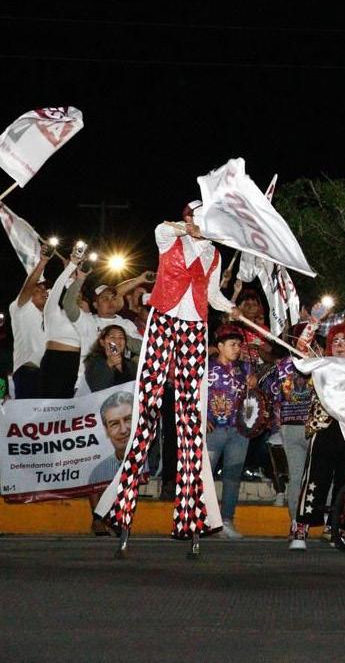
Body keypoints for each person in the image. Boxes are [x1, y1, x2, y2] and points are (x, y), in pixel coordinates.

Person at [95, 200, 239, 559]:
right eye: (197, 217)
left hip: (194, 328)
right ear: (188, 217)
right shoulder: (169, 237)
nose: (202, 224)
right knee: (146, 414)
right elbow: (162, 226)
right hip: (163, 322)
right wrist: (188, 227)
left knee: (190, 420)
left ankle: (191, 516)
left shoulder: (215, 255)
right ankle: (121, 510)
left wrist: (230, 308)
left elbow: (212, 295)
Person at [289, 323, 345, 550]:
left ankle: (340, 529)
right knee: (315, 478)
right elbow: (300, 350)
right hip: (324, 427)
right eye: (335, 341)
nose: (340, 345)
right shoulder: (321, 363)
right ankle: (301, 529)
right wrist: (313, 323)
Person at [260, 328, 314, 528]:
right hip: (311, 426)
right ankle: (320, 519)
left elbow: (267, 391)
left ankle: (295, 522)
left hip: (289, 426)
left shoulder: (280, 366)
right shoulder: (318, 363)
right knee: (318, 475)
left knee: (296, 476)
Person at [206, 324, 256, 539]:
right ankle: (204, 519)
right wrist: (201, 417)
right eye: (232, 344)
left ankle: (226, 520)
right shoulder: (206, 368)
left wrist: (253, 383)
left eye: (238, 345)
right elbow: (193, 394)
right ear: (220, 346)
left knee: (233, 477)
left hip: (239, 431)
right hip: (213, 431)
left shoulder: (245, 369)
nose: (237, 349)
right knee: (205, 476)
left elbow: (254, 398)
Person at [39, 253, 86, 398]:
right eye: (74, 294)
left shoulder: (84, 318)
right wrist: (71, 265)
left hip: (75, 362)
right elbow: (58, 287)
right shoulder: (52, 311)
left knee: (68, 404)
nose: (77, 297)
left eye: (80, 295)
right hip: (55, 360)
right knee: (50, 403)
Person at [87, 390, 135, 535]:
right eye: (114, 424)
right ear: (106, 430)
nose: (123, 430)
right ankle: (103, 521)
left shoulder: (148, 463)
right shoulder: (98, 471)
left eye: (128, 419)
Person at [9, 246, 50, 399]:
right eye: (38, 290)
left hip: (49, 375)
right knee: (27, 413)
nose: (44, 292)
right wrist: (42, 262)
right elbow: (28, 286)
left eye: (45, 290)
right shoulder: (20, 308)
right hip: (28, 373)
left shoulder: (51, 317)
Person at [83, 325, 136, 392]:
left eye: (121, 337)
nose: (117, 340)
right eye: (112, 337)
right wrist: (109, 364)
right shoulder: (93, 361)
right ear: (102, 342)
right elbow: (97, 388)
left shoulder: (130, 364)